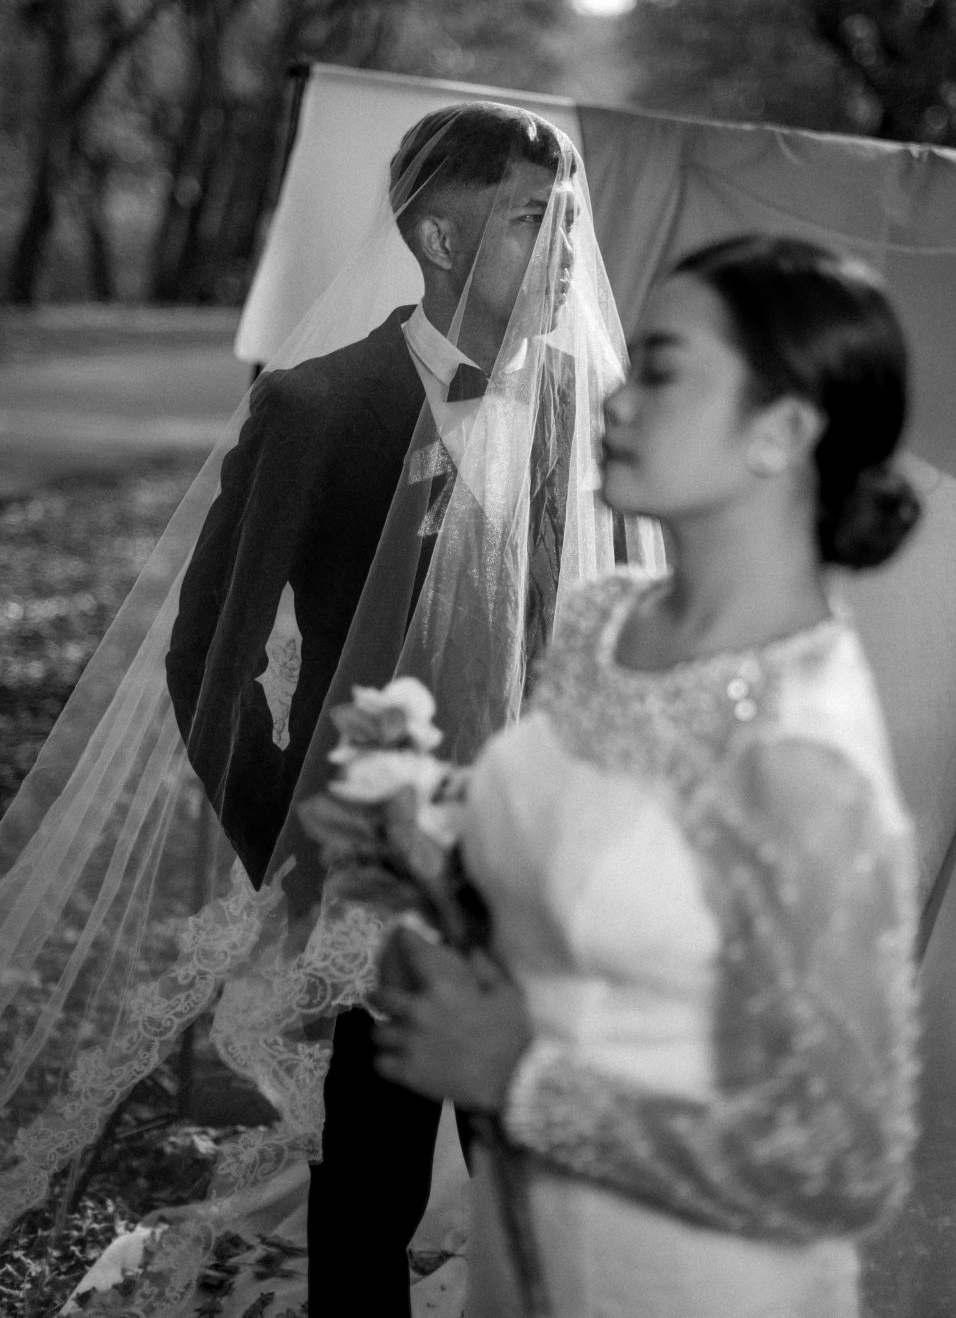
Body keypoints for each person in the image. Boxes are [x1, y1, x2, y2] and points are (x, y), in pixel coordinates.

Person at [0, 103, 661, 1317]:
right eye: (535, 220)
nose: (569, 251)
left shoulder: (582, 404)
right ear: (445, 242)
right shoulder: (315, 408)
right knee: (369, 1186)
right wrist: (299, 838)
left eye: (570, 221)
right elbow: (209, 654)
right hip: (378, 873)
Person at [374, 234, 922, 1318]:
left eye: (662, 371)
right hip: (518, 1248)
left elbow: (841, 1164)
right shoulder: (602, 622)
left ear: (781, 431)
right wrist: (441, 875)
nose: (616, 398)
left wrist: (515, 1080)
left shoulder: (802, 759)